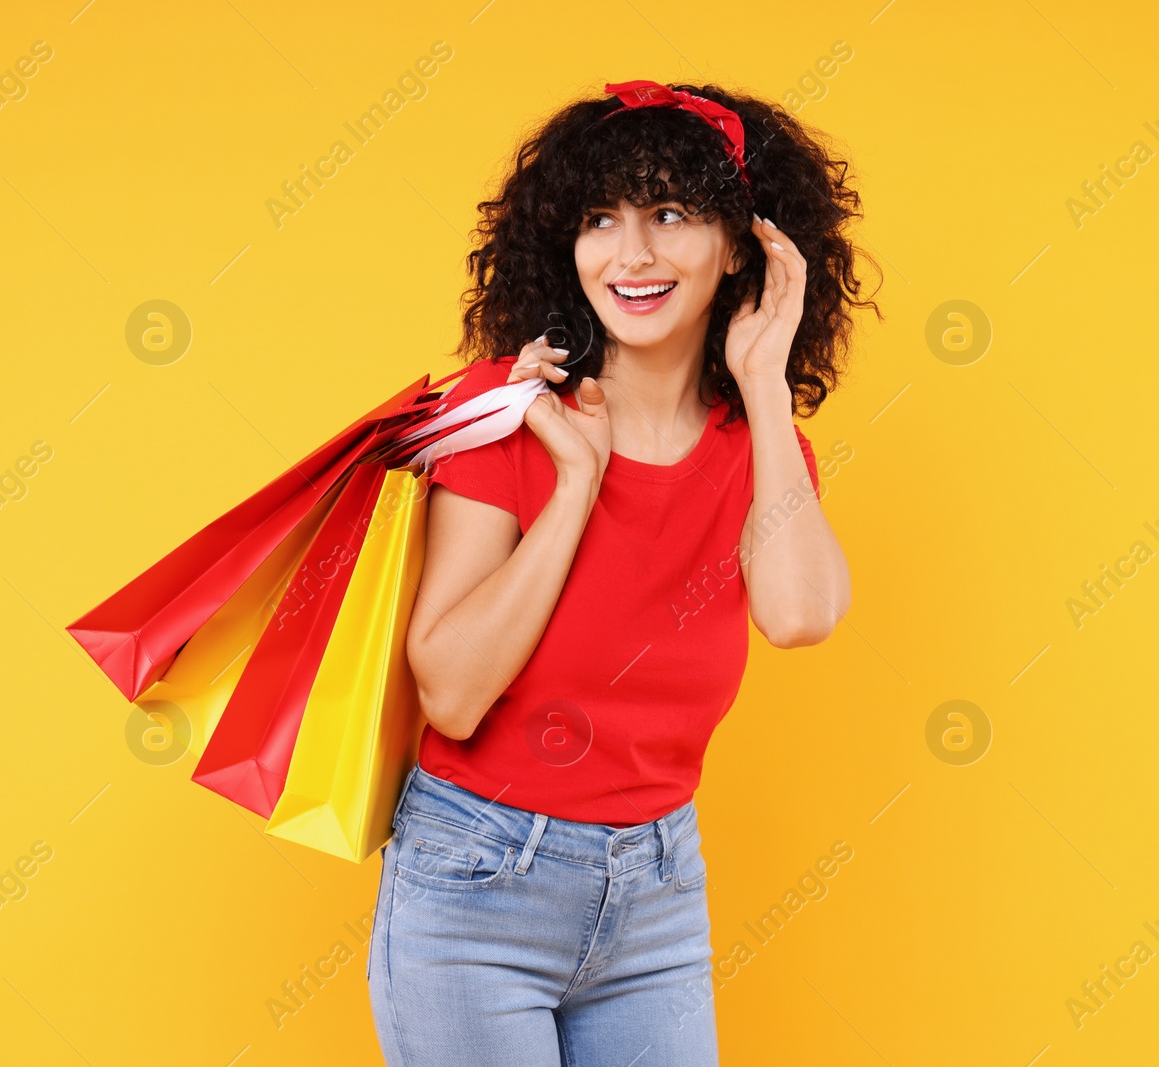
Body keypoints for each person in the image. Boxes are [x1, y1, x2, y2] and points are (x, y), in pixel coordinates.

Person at [366, 80, 881, 1066]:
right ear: (564, 244)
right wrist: (574, 484)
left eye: (669, 214)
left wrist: (767, 391)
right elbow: (453, 691)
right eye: (599, 219)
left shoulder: (758, 448)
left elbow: (801, 615)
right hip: (478, 878)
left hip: (654, 887)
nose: (630, 253)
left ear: (741, 245)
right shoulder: (506, 411)